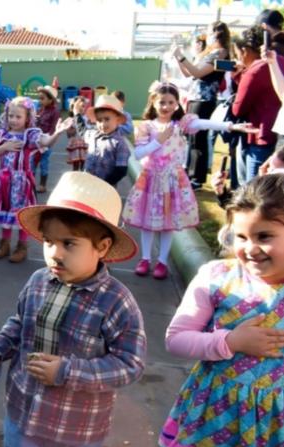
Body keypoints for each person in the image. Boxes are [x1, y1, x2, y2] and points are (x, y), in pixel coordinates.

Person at [0, 171, 146, 447]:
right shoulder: (37, 281)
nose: (55, 254)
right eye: (48, 242)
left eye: (69, 244)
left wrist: (68, 371)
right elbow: (18, 325)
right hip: (23, 412)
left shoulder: (116, 302)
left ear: (103, 248)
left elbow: (131, 364)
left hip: (75, 428)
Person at [158, 173, 284, 447]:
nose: (250, 248)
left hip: (271, 422)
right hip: (217, 412)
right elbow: (177, 338)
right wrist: (230, 342)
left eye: (265, 236)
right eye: (241, 236)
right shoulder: (218, 277)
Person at [122, 82, 256, 280]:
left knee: (168, 223)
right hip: (151, 180)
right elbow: (139, 153)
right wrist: (158, 140)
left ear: (177, 104)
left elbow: (203, 123)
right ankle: (145, 258)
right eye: (162, 102)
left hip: (173, 181)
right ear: (153, 102)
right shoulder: (147, 127)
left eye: (170, 102)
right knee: (148, 223)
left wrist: (230, 125)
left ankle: (162, 261)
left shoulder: (181, 124)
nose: (166, 106)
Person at [0, 97, 71, 263]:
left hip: (21, 181)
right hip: (4, 180)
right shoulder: (2, 134)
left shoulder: (30, 134)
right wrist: (4, 147)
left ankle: (22, 246)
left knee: (21, 214)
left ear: (27, 118)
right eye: (11, 116)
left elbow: (46, 142)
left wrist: (57, 133)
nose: (14, 120)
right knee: (6, 211)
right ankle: (4, 244)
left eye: (18, 117)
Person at [172, 21, 231, 189]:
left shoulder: (220, 52)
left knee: (199, 139)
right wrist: (178, 58)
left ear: (217, 33)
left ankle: (197, 177)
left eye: (209, 32)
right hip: (194, 98)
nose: (207, 36)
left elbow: (198, 72)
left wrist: (182, 57)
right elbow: (189, 73)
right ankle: (190, 173)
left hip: (204, 100)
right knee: (191, 138)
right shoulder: (209, 52)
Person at [232, 26, 284, 185]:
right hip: (276, 141)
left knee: (255, 191)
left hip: (259, 136)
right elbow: (282, 93)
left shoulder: (256, 69)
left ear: (244, 51)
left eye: (236, 52)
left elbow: (238, 108)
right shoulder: (276, 61)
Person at [83, 95, 131, 186]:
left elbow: (121, 170)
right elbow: (82, 131)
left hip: (106, 188)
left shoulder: (119, 143)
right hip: (88, 183)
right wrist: (77, 114)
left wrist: (105, 184)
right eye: (99, 120)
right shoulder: (93, 135)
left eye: (107, 119)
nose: (103, 124)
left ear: (117, 119)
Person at [32, 85, 60, 193]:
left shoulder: (55, 111)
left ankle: (43, 185)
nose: (40, 100)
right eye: (39, 98)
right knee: (32, 162)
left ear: (50, 99)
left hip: (47, 141)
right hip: (37, 140)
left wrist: (49, 140)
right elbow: (35, 123)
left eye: (42, 98)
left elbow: (54, 128)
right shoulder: (40, 109)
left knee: (44, 163)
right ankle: (31, 183)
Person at [65, 96, 89, 171]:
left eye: (84, 106)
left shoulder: (86, 118)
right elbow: (68, 134)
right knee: (75, 163)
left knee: (84, 162)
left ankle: (83, 176)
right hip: (75, 145)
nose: (83, 109)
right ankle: (76, 176)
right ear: (73, 108)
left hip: (84, 144)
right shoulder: (70, 120)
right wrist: (75, 128)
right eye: (81, 106)